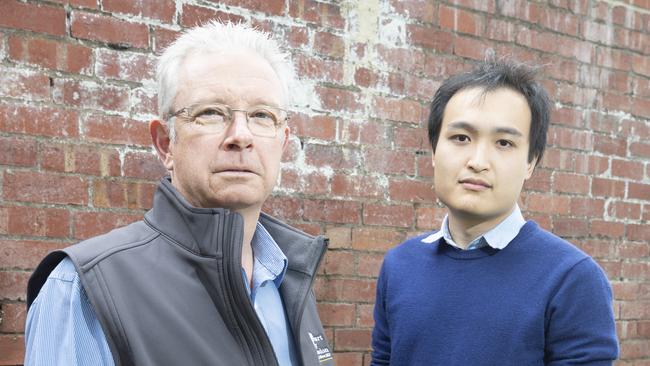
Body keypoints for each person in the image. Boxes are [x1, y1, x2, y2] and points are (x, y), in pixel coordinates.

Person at [25, 22, 333, 366]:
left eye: (262, 115)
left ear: (283, 141)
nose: (241, 135)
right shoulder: (84, 289)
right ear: (165, 143)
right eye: (211, 113)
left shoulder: (287, 275)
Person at [371, 60, 619, 365]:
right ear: (434, 150)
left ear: (531, 162)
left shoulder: (572, 278)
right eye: (461, 138)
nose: (478, 161)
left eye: (504, 143)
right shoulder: (399, 265)